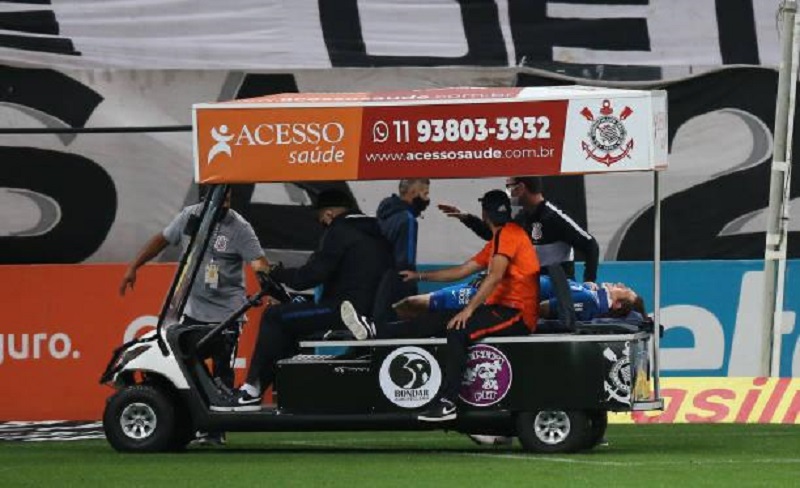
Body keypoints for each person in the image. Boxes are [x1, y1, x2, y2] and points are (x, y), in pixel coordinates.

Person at [342, 190, 540, 422]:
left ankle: (448, 403)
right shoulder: (502, 237)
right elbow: (462, 271)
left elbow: (494, 276)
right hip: (500, 309)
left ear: (484, 213)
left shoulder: (509, 235)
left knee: (456, 329)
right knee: (437, 319)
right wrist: (419, 276)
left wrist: (469, 310)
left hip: (517, 314)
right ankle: (375, 330)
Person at [211, 189, 394, 411]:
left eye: (320, 219)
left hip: (344, 310)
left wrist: (275, 272)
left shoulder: (339, 231)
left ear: (328, 214)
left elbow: (308, 277)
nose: (322, 224)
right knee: (291, 313)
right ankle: (281, 387)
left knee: (274, 316)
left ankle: (251, 391)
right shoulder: (375, 231)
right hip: (368, 307)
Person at [119, 186, 269, 444]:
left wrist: (265, 280)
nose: (225, 204)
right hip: (191, 307)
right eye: (220, 198)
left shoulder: (240, 227)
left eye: (228, 198)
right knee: (186, 365)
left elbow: (258, 261)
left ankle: (216, 429)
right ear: (206, 198)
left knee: (223, 370)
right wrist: (134, 266)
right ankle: (187, 418)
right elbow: (162, 239)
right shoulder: (189, 217)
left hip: (227, 312)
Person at [438, 176, 599, 282]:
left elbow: (591, 245)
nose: (509, 194)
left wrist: (589, 284)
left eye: (509, 188)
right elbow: (496, 235)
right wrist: (466, 217)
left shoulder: (554, 216)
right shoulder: (523, 217)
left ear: (521, 188)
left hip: (555, 289)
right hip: (530, 286)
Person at [394, 276, 645, 322]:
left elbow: (542, 309)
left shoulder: (591, 301)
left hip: (495, 296)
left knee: (417, 303)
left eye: (626, 290)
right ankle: (384, 325)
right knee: (422, 306)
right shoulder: (590, 292)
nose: (622, 284)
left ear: (619, 304)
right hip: (499, 286)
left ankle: (379, 327)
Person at [376, 179, 431, 298]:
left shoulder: (384, 214)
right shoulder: (407, 220)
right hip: (397, 284)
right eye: (425, 194)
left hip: (378, 282)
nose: (427, 199)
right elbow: (407, 263)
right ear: (413, 192)